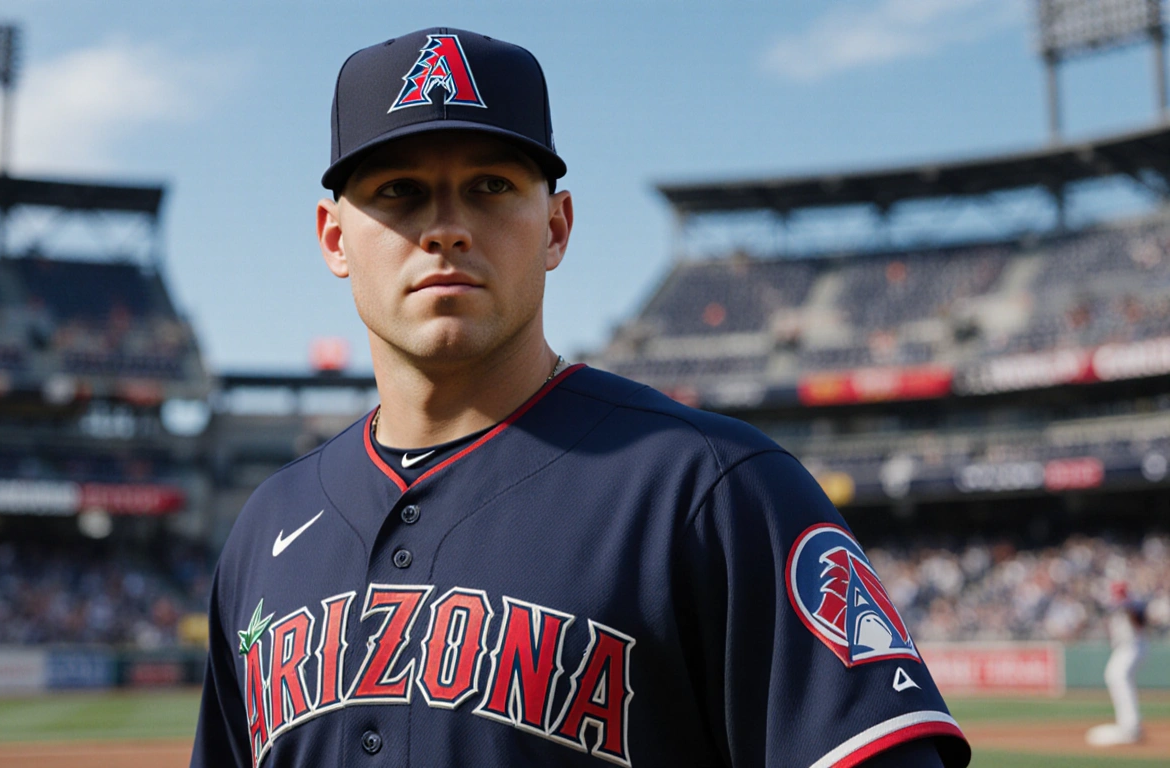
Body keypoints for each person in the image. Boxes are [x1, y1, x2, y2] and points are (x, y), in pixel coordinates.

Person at [190, 27, 970, 767]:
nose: (446, 229)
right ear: (333, 238)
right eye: (399, 192)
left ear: (557, 227)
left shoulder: (715, 490)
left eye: (491, 186)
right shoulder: (266, 529)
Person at [1086, 581, 1147, 746]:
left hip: (1133, 646)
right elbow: (1101, 611)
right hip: (1122, 648)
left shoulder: (1133, 604)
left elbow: (1140, 623)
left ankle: (1131, 726)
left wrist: (1127, 607)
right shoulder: (1114, 606)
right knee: (1114, 677)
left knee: (1118, 677)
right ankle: (1129, 724)